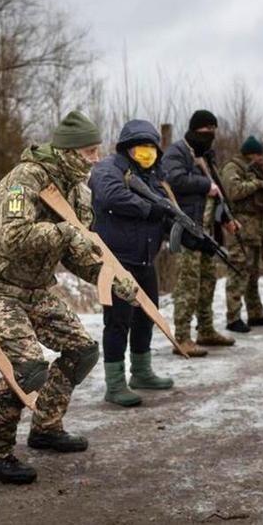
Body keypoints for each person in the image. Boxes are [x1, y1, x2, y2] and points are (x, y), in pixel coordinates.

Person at [0, 111, 136, 483]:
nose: (95, 160)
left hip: (35, 289)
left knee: (82, 350)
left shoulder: (77, 191)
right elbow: (14, 238)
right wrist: (65, 231)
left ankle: (45, 426)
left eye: (97, 152)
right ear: (68, 151)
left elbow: (76, 253)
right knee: (27, 368)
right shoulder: (23, 179)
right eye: (89, 152)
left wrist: (108, 278)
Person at [90, 119, 175, 407]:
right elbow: (110, 195)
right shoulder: (108, 168)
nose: (147, 152)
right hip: (117, 260)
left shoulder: (154, 176)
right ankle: (115, 385)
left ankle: (141, 372)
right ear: (127, 148)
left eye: (151, 147)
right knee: (118, 322)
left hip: (145, 259)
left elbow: (164, 211)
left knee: (147, 316)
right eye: (141, 147)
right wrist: (149, 209)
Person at [162, 110, 237, 356]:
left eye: (213, 131)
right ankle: (182, 337)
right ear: (194, 130)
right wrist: (205, 185)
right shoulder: (177, 152)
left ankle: (205, 329)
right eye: (205, 131)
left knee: (208, 282)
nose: (210, 136)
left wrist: (226, 218)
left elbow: (217, 194)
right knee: (188, 284)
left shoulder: (206, 156)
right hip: (186, 231)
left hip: (206, 234)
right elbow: (173, 179)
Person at [221, 136, 263, 333]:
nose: (262, 159)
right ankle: (233, 317)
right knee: (238, 272)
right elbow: (233, 191)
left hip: (255, 230)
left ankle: (255, 313)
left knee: (253, 273)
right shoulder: (233, 168)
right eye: (258, 155)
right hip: (240, 229)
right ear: (250, 154)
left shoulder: (253, 170)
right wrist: (257, 184)